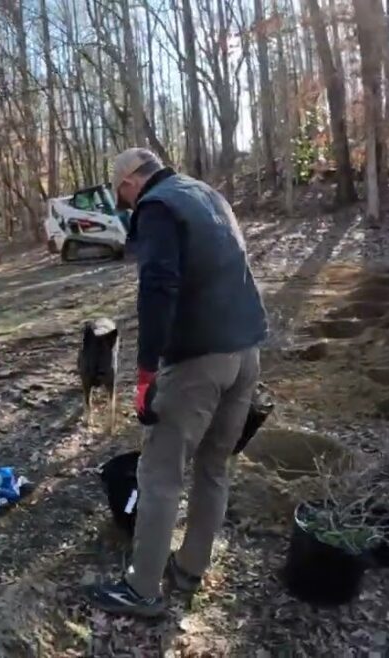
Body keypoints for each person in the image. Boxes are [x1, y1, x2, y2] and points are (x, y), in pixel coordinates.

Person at [90, 148, 268, 618]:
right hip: (246, 353)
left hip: (197, 363)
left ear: (130, 181)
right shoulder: (207, 194)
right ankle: (190, 569)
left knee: (160, 475)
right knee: (213, 467)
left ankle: (143, 589)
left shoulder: (158, 206)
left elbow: (158, 286)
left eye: (119, 193)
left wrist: (146, 372)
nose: (123, 204)